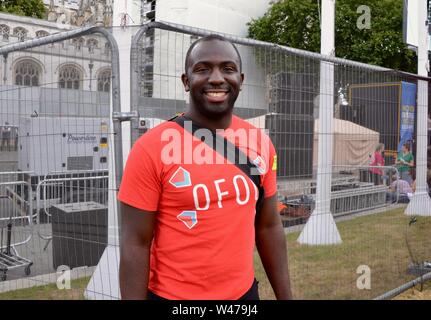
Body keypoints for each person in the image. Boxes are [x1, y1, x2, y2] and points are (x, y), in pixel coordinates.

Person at [118, 35, 293, 300]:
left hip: (244, 297)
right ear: (186, 81)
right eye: (202, 69)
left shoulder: (260, 143)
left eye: (228, 68)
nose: (216, 78)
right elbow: (135, 244)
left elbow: (269, 226)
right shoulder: (150, 148)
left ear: (241, 81)